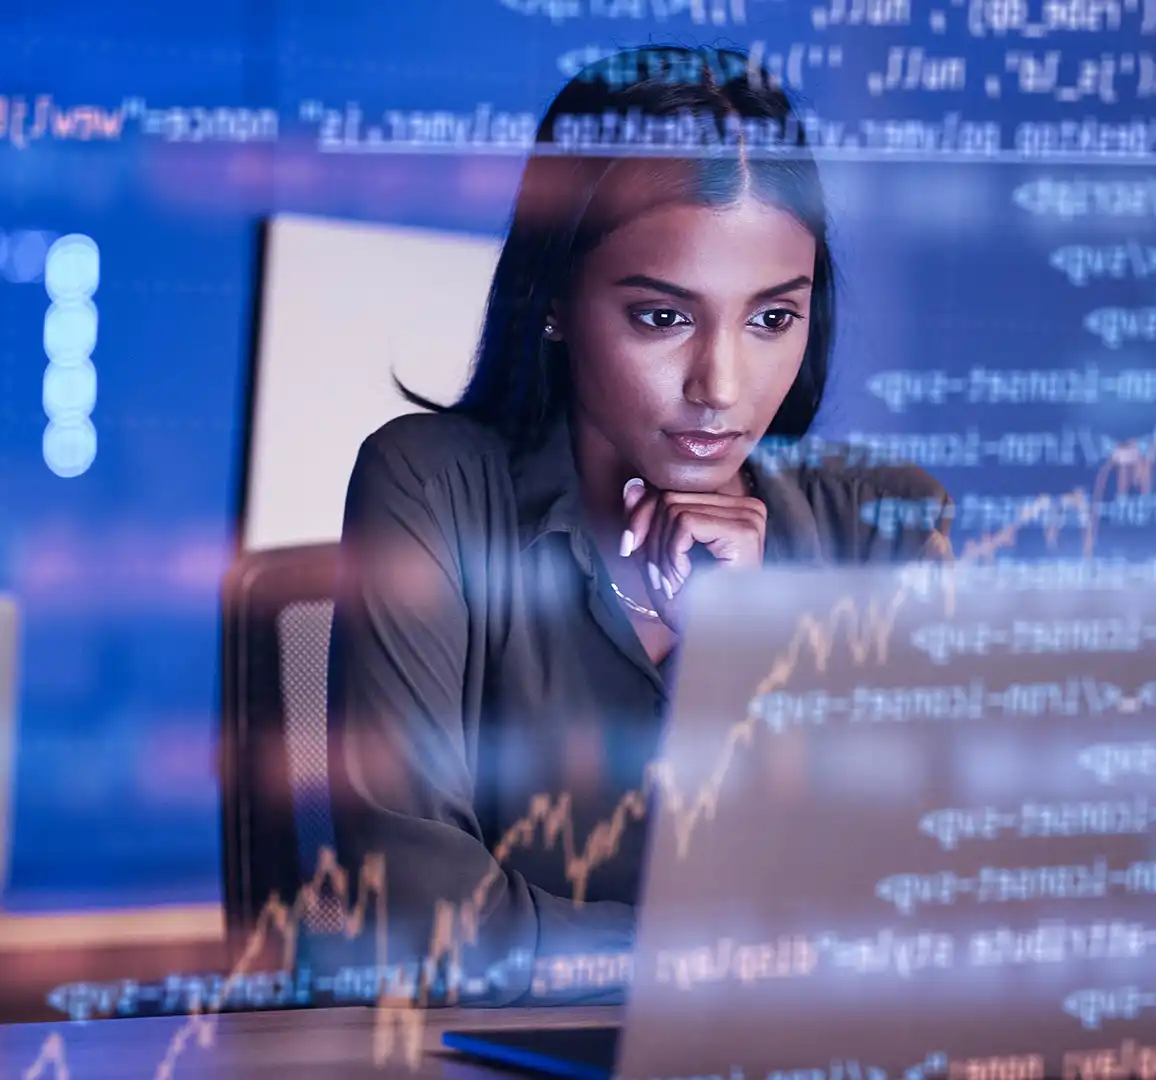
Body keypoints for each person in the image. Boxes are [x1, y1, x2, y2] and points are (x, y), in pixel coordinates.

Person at [322, 46, 952, 1005]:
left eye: (771, 320)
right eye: (662, 317)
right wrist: (732, 956)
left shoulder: (887, 526)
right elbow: (428, 922)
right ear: (554, 304)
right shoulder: (431, 486)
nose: (723, 388)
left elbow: (919, 917)